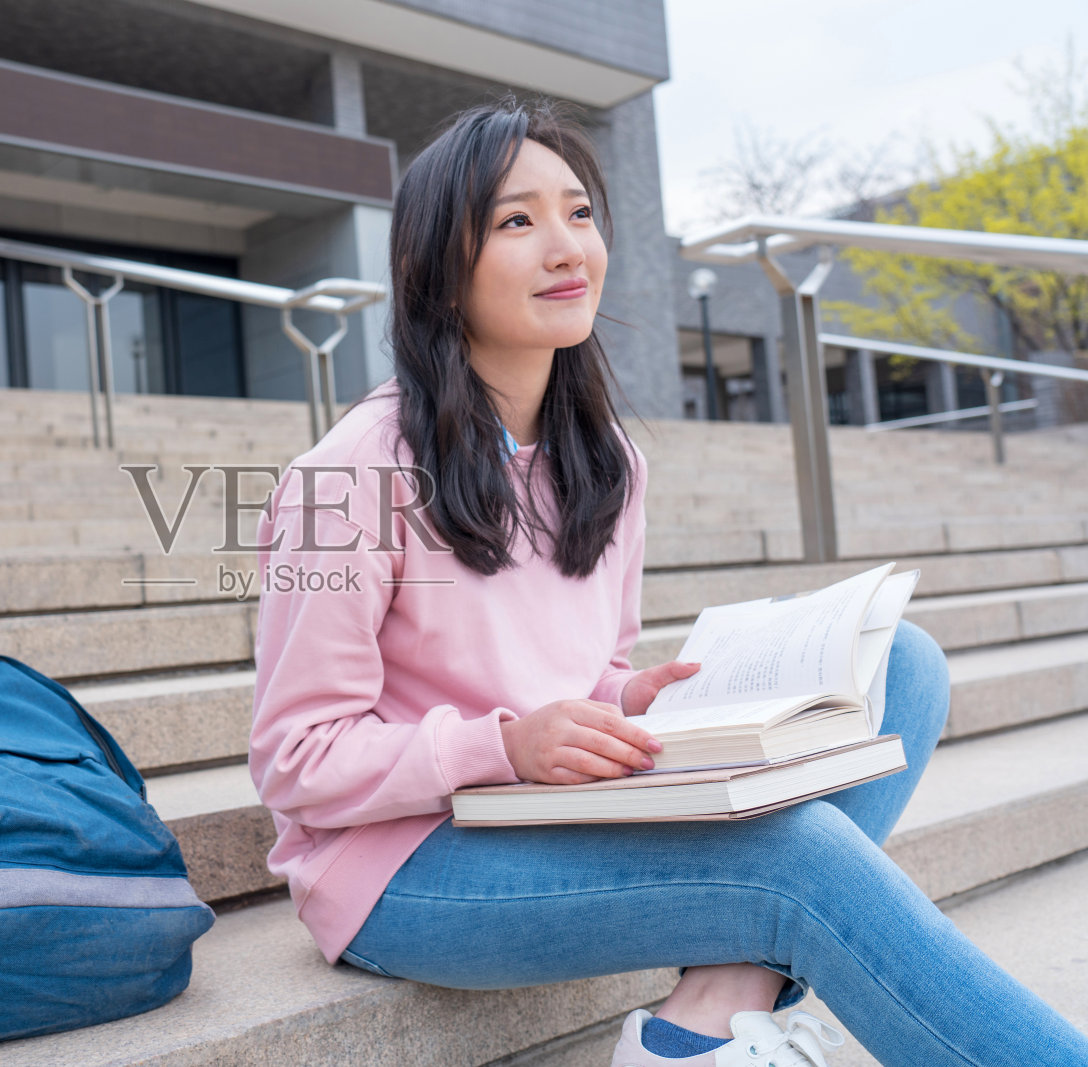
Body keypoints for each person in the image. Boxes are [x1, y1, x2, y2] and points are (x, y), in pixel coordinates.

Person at [246, 97, 1088, 1067]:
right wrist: (505, 744)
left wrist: (623, 698)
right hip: (400, 869)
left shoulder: (605, 461)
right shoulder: (343, 475)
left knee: (900, 663)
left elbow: (587, 667)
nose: (567, 247)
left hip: (549, 811)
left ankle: (705, 1020)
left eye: (579, 212)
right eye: (518, 220)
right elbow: (295, 757)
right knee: (798, 857)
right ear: (438, 271)